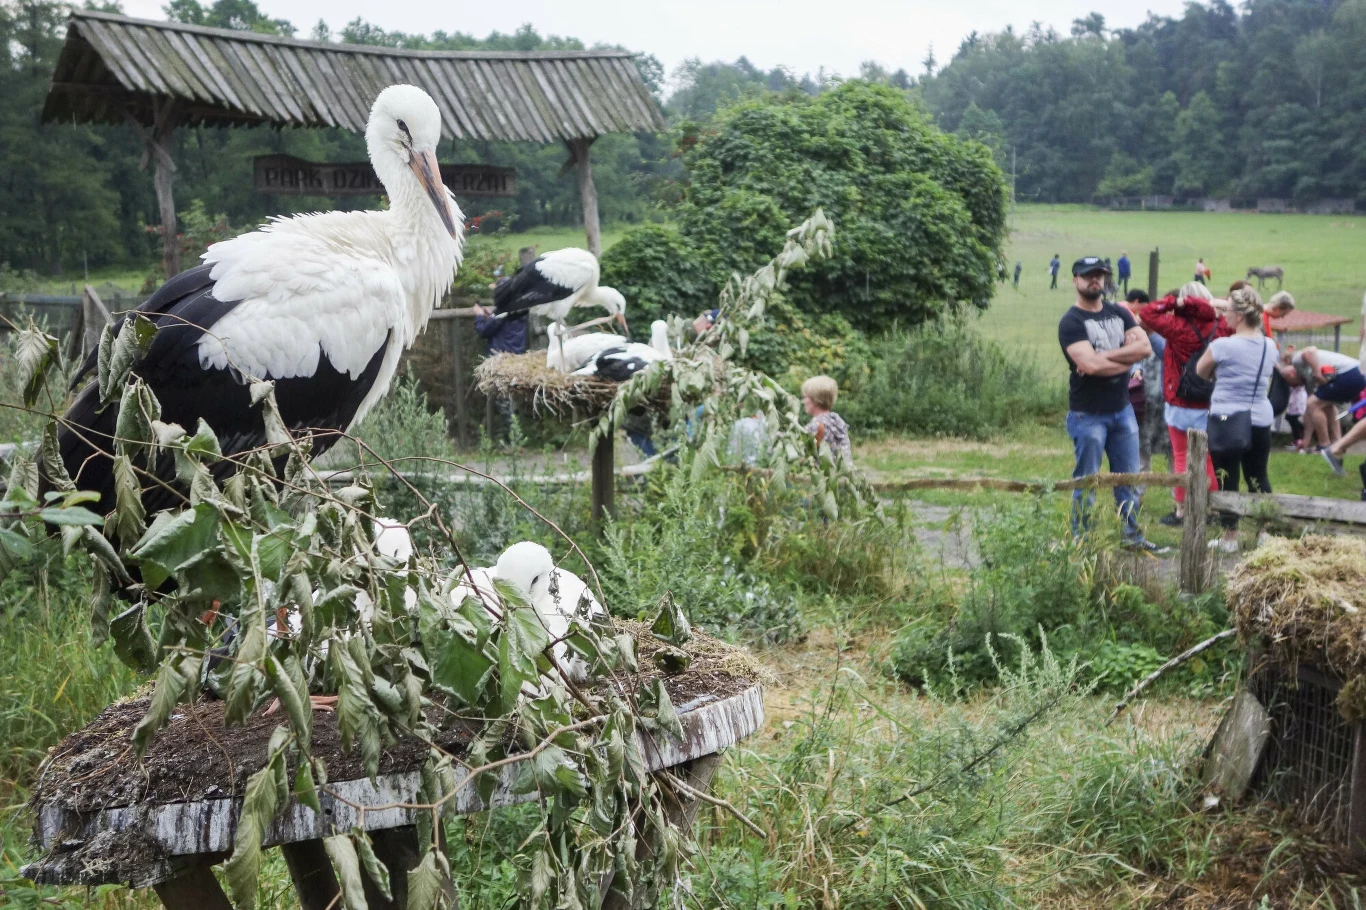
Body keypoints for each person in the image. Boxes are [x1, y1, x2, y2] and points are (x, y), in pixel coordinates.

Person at [1058, 256, 1164, 551]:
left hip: (1122, 410)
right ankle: (1082, 540)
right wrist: (1122, 358)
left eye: (1100, 275)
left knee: (1127, 479)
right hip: (1087, 415)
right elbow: (1089, 367)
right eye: (1089, 275)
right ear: (1075, 280)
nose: (1096, 280)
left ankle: (1133, 538)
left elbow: (1143, 347)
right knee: (1087, 481)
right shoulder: (1071, 322)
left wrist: (1102, 359)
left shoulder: (1119, 312)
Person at [1136, 281, 1228, 527]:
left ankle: (1181, 511)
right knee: (1207, 459)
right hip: (1210, 400)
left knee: (1180, 457)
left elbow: (1146, 313)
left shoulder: (1177, 326)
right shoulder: (1221, 326)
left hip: (1179, 400)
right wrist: (1220, 306)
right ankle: (1213, 509)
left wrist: (1175, 302)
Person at [1195, 287, 1277, 554]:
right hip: (1260, 418)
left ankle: (1231, 535)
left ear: (1239, 315)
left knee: (1227, 476)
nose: (1224, 316)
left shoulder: (1222, 346)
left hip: (1227, 418)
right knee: (1258, 476)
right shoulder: (1269, 345)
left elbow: (1200, 371)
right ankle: (1265, 531)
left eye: (1228, 311)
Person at [1296, 345, 1365, 474]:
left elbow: (1310, 350)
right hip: (1358, 373)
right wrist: (1306, 439)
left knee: (1313, 404)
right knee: (1326, 404)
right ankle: (1337, 445)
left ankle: (1326, 446)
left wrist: (1316, 372)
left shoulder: (1296, 360)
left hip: (1352, 373)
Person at [801, 375, 852, 462]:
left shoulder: (817, 425)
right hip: (841, 474)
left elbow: (801, 451)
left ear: (816, 399)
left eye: (805, 397)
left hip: (825, 475)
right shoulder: (836, 421)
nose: (803, 401)